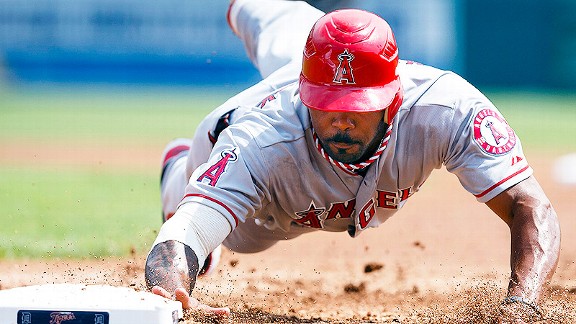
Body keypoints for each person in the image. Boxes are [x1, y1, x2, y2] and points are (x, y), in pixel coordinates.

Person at [144, 0, 561, 322]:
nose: (340, 121)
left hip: (307, 73)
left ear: (392, 99)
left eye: (357, 105)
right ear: (306, 92)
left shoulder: (446, 110)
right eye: (326, 103)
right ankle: (178, 166)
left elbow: (531, 206)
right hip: (233, 157)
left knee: (284, 25)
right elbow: (184, 234)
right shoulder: (259, 143)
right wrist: (172, 291)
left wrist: (520, 308)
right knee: (225, 232)